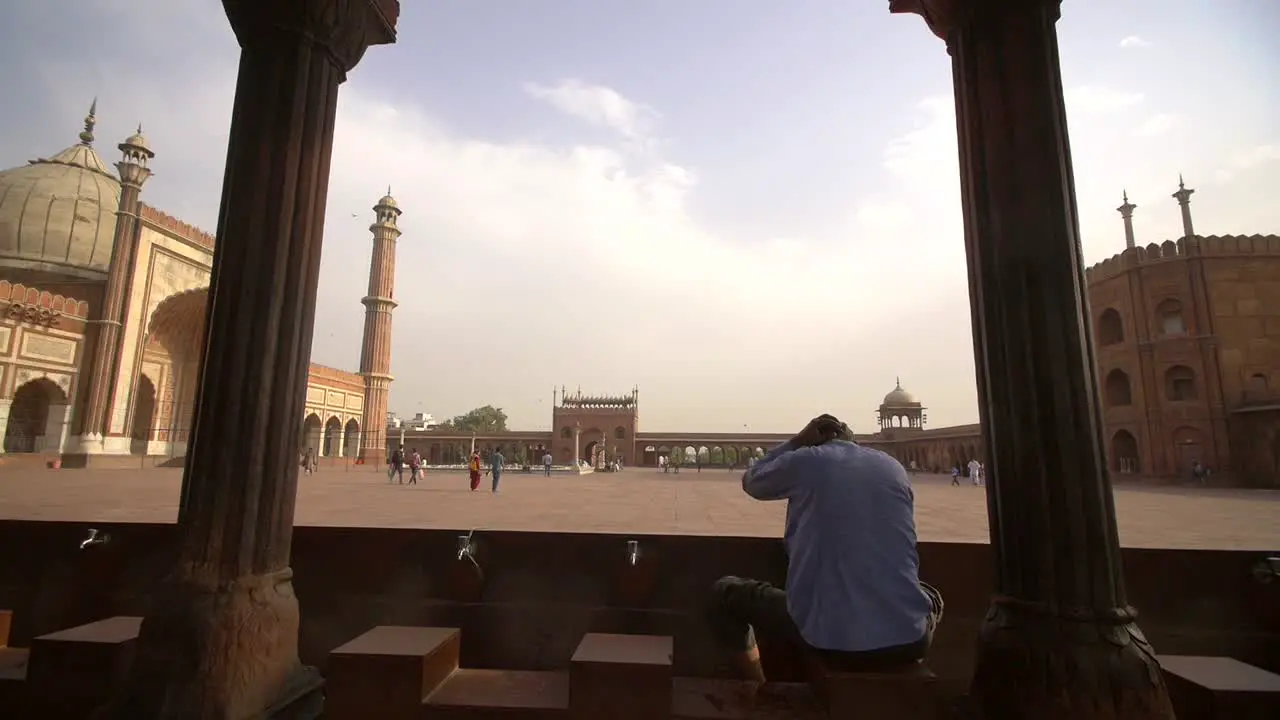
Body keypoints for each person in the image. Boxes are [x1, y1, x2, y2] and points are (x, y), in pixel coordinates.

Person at [705, 414, 943, 688]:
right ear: (852, 439)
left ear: (816, 441)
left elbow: (753, 480)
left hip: (830, 638)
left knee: (727, 593)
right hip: (911, 641)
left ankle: (758, 690)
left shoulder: (808, 460)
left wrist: (796, 441)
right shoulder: (892, 466)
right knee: (930, 595)